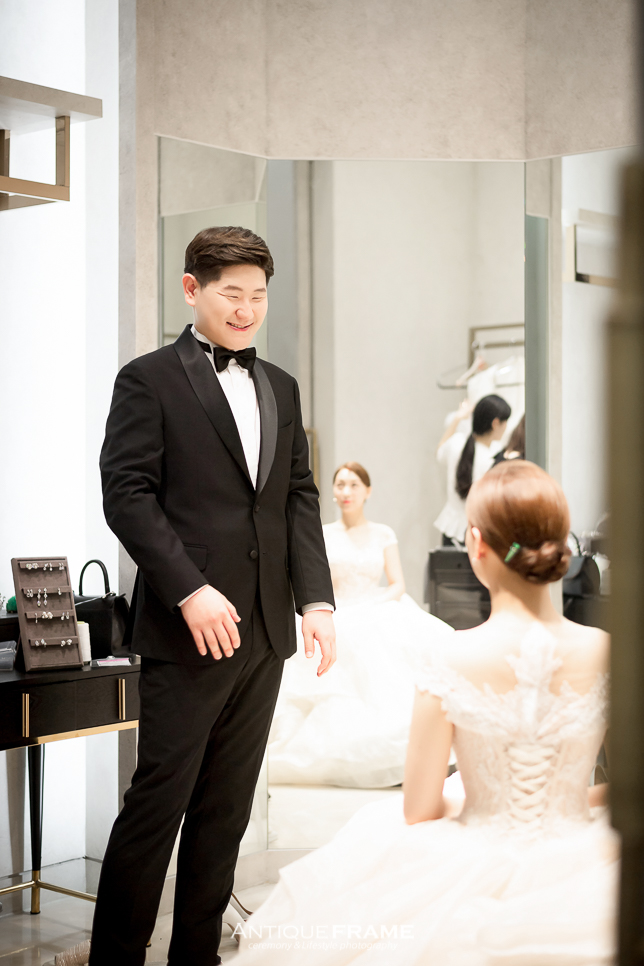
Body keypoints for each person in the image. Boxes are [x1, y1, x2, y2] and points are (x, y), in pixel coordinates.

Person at [62, 227, 336, 966]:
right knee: (158, 805)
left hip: (266, 632)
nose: (247, 311)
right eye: (231, 295)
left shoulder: (281, 385)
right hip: (188, 629)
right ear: (192, 289)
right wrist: (189, 589)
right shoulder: (147, 379)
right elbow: (126, 495)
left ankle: (197, 957)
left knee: (226, 812)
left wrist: (315, 601)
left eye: (258, 296)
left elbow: (298, 496)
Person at [232, 460, 617, 964]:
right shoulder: (607, 651)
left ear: (476, 544)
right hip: (583, 861)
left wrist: (493, 806)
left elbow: (419, 808)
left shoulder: (449, 655)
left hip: (479, 854)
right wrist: (563, 804)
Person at [268, 462, 454, 788]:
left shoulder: (383, 534)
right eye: (340, 484)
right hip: (337, 611)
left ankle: (405, 744)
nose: (346, 491)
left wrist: (373, 605)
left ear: (368, 491)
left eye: (354, 485)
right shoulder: (323, 534)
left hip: (375, 607)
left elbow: (397, 584)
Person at [434, 393, 511, 546]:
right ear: (495, 423)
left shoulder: (456, 443)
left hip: (450, 529)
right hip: (476, 534)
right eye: (505, 422)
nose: (506, 427)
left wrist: (457, 418)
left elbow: (440, 451)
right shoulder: (491, 460)